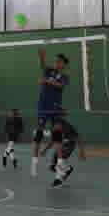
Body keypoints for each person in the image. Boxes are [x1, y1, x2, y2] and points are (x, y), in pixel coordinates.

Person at [31, 50, 70, 184]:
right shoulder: (49, 70)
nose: (57, 62)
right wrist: (41, 57)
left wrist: (48, 80)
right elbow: (42, 66)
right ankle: (34, 163)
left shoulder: (64, 76)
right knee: (38, 134)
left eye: (59, 61)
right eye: (56, 60)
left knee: (58, 138)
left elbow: (60, 85)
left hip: (55, 108)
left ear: (64, 64)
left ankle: (59, 174)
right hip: (43, 107)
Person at [40, 118, 84, 188]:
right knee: (52, 166)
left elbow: (78, 139)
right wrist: (45, 150)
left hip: (69, 144)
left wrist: (82, 152)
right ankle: (67, 169)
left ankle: (58, 181)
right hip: (61, 145)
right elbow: (53, 141)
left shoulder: (68, 128)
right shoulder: (54, 129)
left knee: (60, 160)